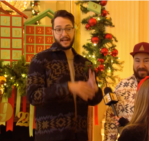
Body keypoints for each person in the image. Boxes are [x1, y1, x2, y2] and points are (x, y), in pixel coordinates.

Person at [27, 10, 103, 141]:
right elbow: (34, 96)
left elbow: (94, 100)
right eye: (59, 29)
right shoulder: (40, 60)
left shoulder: (85, 63)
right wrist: (68, 87)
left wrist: (95, 91)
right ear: (52, 32)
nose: (64, 34)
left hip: (80, 137)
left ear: (74, 30)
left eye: (68, 29)